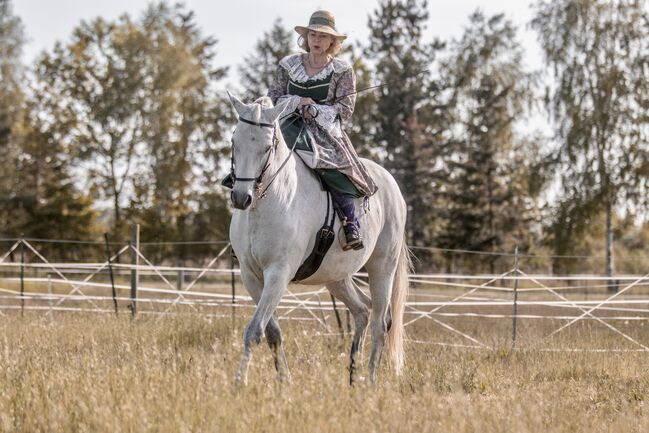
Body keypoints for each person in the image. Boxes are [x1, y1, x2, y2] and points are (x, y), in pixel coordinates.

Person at [267, 10, 378, 251]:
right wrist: (297, 103)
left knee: (331, 165)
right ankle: (244, 227)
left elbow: (345, 109)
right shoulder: (288, 64)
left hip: (323, 131)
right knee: (257, 155)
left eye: (323, 36)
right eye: (312, 35)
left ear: (332, 42)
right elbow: (273, 97)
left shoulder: (342, 70)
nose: (316, 40)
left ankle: (350, 223)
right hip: (286, 124)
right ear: (306, 38)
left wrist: (315, 109)